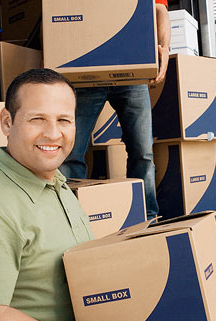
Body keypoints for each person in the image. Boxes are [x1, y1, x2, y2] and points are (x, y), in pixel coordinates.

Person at [0, 68, 94, 321]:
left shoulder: (57, 185)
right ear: (7, 122)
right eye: (37, 119)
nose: (53, 133)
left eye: (64, 120)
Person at [59, 0, 171, 220]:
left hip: (131, 72)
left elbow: (159, 9)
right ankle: (72, 220)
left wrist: (163, 49)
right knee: (70, 153)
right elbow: (59, 13)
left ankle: (147, 218)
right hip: (87, 72)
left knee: (143, 152)